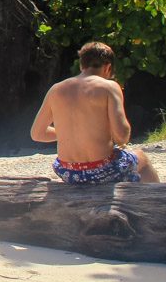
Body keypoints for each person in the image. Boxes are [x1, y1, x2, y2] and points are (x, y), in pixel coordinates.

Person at [30, 41, 159, 184]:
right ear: (108, 67)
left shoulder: (56, 89)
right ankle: (158, 197)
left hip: (68, 171)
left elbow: (37, 134)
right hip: (101, 169)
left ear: (81, 66)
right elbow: (121, 137)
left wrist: (72, 133)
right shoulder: (109, 87)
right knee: (141, 157)